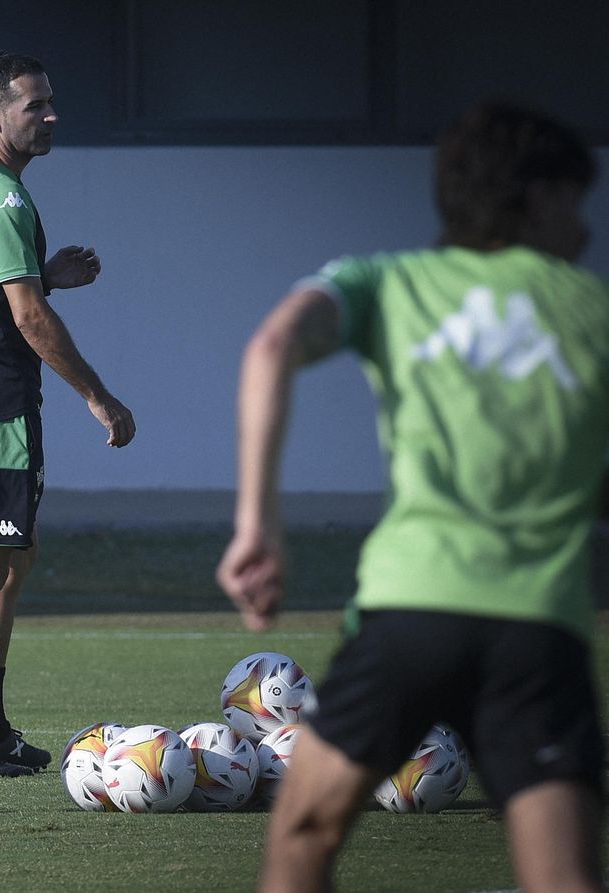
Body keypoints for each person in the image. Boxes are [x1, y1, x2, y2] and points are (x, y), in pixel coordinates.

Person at [218, 101, 606, 892]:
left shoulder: (388, 281)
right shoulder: (593, 310)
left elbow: (271, 344)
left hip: (410, 616)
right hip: (539, 633)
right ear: (530, 197)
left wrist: (258, 522)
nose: (586, 226)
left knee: (301, 833)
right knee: (565, 875)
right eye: (575, 198)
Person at [0, 52, 135, 777]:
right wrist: (98, 395)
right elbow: (27, 318)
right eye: (35, 105)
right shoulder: (3, 198)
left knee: (16, 554)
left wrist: (46, 274)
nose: (50, 115)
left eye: (49, 102)